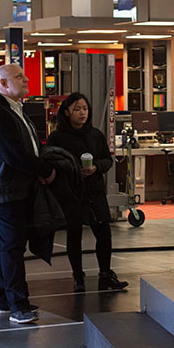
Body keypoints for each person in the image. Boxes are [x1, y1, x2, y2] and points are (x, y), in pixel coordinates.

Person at [0, 64, 55, 324]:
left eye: (24, 74)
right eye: (19, 77)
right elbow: (13, 154)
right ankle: (17, 306)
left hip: (14, 190)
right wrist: (44, 170)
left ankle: (7, 300)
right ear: (2, 84)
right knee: (11, 248)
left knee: (9, 247)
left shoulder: (12, 108)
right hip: (4, 190)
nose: (26, 79)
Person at [48, 92, 128, 293]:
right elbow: (50, 162)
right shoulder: (57, 137)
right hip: (72, 193)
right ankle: (78, 276)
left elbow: (107, 159)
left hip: (95, 191)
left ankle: (105, 274)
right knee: (74, 233)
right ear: (67, 112)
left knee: (104, 232)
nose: (82, 113)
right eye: (77, 109)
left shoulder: (95, 134)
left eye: (85, 108)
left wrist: (96, 167)